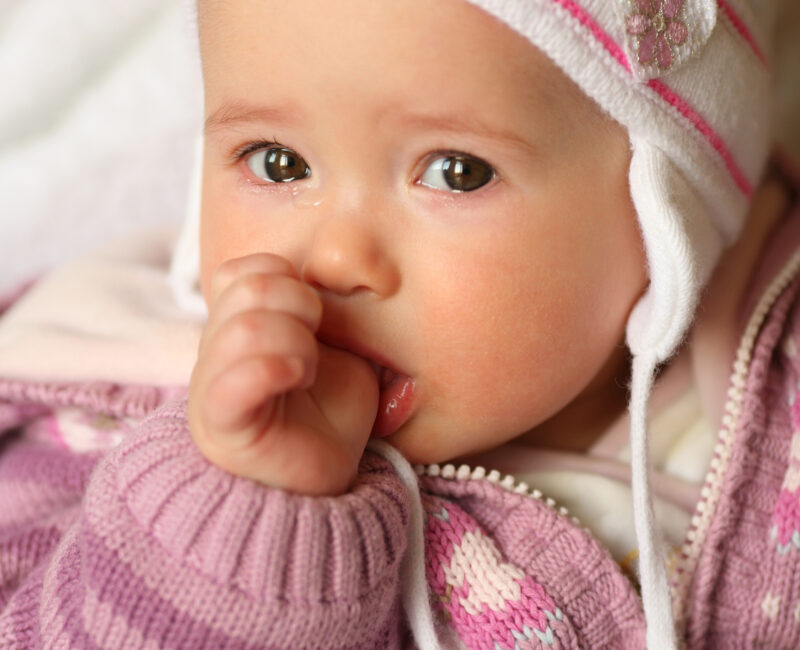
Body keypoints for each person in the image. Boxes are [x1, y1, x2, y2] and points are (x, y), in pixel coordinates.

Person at [0, 0, 796, 647]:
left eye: (456, 171)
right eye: (278, 162)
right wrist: (239, 508)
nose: (339, 257)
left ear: (671, 216)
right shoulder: (98, 397)